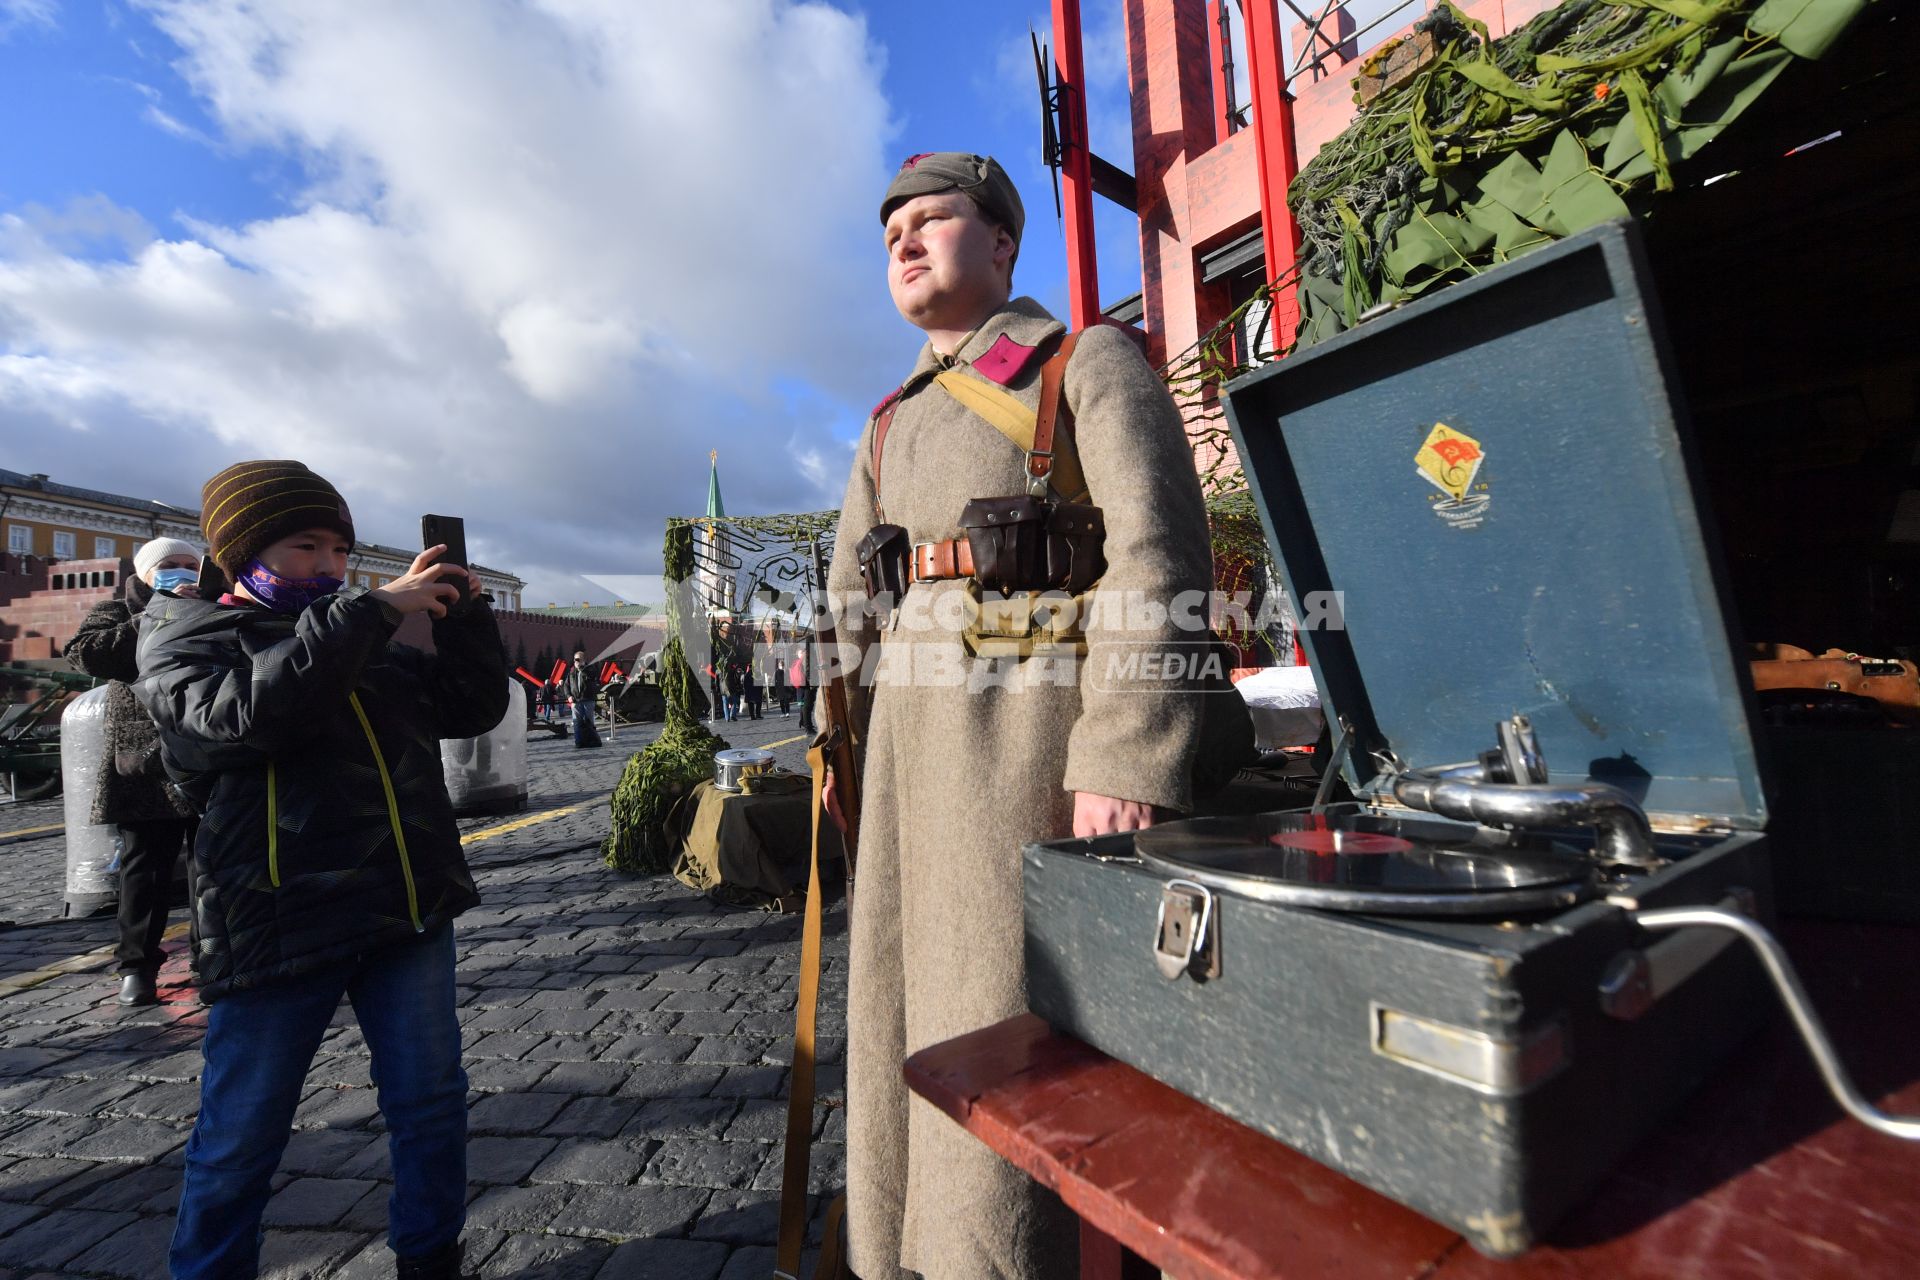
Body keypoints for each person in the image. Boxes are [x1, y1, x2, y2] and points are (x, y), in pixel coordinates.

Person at [820, 153, 1213, 1278]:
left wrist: (1127, 747)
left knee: (998, 1010)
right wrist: (835, 744)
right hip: (906, 748)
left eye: (933, 219)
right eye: (890, 226)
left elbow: (1157, 556)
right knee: (903, 997)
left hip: (1027, 737)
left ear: (1002, 243)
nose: (902, 240)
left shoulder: (1081, 361)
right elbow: (853, 595)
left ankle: (988, 1256)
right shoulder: (888, 421)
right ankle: (905, 1248)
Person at [134, 460, 506, 1280]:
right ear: (243, 552)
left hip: (403, 910)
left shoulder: (351, 630)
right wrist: (366, 612)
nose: (332, 566)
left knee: (430, 1105)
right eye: (308, 546)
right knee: (243, 1134)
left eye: (341, 548)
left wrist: (466, 614)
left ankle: (430, 1259)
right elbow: (245, 719)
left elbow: (468, 706)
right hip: (274, 919)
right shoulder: (188, 635)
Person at [63, 537, 204, 1006]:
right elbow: (88, 655)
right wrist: (159, 612)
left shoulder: (212, 605)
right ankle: (137, 966)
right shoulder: (119, 610)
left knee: (214, 870)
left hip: (208, 758)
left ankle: (212, 957)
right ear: (145, 573)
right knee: (145, 872)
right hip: (145, 766)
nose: (183, 572)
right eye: (170, 566)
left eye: (190, 565)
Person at [564, 649, 602, 748]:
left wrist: (582, 669)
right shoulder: (571, 672)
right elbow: (566, 685)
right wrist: (568, 696)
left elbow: (594, 680)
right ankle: (579, 742)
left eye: (578, 659)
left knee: (589, 722)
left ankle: (591, 741)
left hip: (588, 700)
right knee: (577, 722)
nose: (576, 661)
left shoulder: (590, 669)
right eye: (575, 659)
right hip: (576, 701)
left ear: (583, 660)